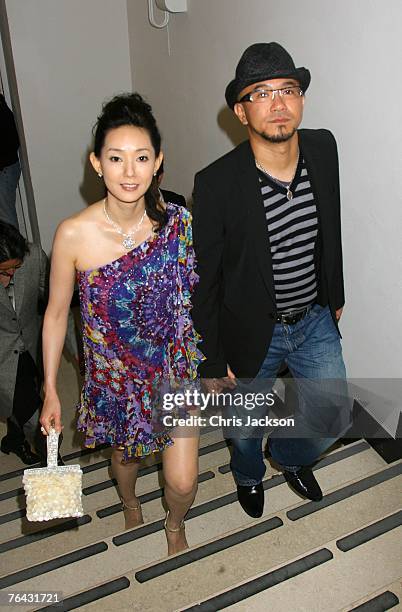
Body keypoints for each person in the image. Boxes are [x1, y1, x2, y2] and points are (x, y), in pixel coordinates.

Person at [40, 93, 203, 555]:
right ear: (96, 163)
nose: (129, 172)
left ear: (157, 163)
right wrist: (51, 387)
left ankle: (174, 522)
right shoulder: (73, 233)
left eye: (141, 158)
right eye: (116, 158)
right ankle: (129, 500)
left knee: (183, 478)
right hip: (115, 378)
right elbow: (55, 314)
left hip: (172, 373)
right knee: (126, 459)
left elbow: (197, 300)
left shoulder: (178, 224)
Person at [192, 42, 350, 518]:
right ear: (241, 111)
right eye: (261, 93)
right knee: (242, 429)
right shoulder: (217, 183)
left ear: (301, 98)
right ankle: (247, 474)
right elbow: (206, 280)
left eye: (288, 89)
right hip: (248, 330)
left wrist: (334, 292)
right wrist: (213, 361)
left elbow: (331, 225)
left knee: (332, 417)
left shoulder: (323, 148)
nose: (278, 103)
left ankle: (286, 456)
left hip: (313, 319)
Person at [0, 221, 45, 464]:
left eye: (13, 271)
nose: (7, 281)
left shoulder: (35, 257)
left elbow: (55, 306)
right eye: (2, 272)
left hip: (32, 344)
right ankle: (53, 463)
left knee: (27, 397)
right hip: (2, 356)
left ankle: (13, 441)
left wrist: (77, 350)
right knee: (37, 420)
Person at [0, 94, 21, 228]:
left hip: (5, 170)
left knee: (7, 222)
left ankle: (14, 249)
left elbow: (12, 142)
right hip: (6, 169)